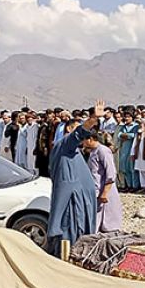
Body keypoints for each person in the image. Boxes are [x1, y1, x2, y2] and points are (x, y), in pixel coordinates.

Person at [46, 102, 105, 255]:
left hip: (80, 202)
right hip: (72, 206)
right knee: (69, 240)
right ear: (69, 129)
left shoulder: (72, 150)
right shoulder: (65, 144)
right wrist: (92, 119)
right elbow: (79, 133)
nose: (85, 136)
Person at [81, 131, 123, 232]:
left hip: (105, 189)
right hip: (96, 188)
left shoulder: (103, 151)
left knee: (109, 219)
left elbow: (111, 173)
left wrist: (105, 192)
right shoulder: (93, 151)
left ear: (90, 139)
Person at [116, 112, 138, 191]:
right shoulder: (123, 127)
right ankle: (128, 185)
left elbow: (134, 136)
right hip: (124, 150)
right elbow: (119, 135)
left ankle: (134, 186)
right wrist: (128, 135)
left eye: (128, 117)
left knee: (132, 168)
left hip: (132, 149)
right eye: (125, 117)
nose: (127, 118)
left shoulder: (136, 126)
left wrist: (126, 135)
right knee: (124, 168)